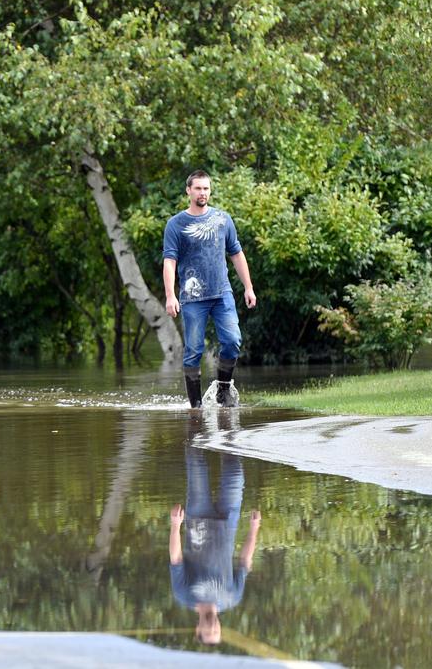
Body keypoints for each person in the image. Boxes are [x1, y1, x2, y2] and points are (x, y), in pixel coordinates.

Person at [163, 171, 256, 407]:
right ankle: (195, 406)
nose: (202, 193)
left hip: (222, 293)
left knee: (233, 340)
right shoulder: (176, 225)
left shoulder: (223, 219)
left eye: (206, 188)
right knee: (194, 349)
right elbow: (170, 261)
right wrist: (170, 295)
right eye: (198, 188)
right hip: (193, 298)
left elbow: (236, 253)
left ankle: (223, 390)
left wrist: (248, 287)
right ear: (188, 191)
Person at [169, 434, 261, 646]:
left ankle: (195, 418)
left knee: (196, 461)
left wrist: (175, 526)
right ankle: (226, 419)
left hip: (198, 519)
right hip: (228, 521)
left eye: (207, 632)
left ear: (197, 629)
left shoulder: (184, 595)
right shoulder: (232, 598)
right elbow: (245, 563)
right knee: (235, 470)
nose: (212, 628)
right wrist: (254, 529)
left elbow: (176, 559)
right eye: (216, 632)